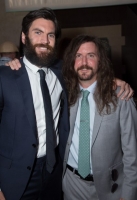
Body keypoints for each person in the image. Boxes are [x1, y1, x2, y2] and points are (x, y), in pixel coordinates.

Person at [0, 8, 69, 200]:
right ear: (24, 37)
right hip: (14, 179)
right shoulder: (5, 77)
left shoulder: (62, 72)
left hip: (54, 172)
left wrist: (115, 82)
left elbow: (90, 73)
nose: (45, 41)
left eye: (51, 35)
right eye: (38, 32)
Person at [62, 35, 137, 200]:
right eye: (78, 56)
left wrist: (128, 194)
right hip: (72, 184)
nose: (84, 62)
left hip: (111, 188)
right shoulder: (64, 94)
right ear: (71, 61)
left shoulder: (121, 97)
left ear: (100, 61)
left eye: (91, 56)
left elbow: (133, 153)